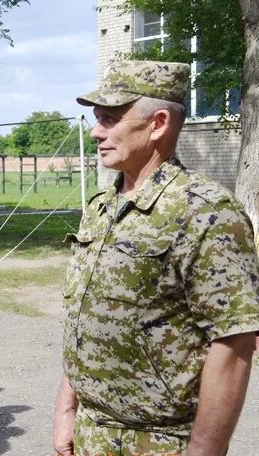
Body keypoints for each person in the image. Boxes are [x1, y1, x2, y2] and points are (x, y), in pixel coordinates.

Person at [53, 60, 259, 456]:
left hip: (160, 443)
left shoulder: (206, 212)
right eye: (97, 119)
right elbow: (85, 318)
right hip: (91, 433)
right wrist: (67, 409)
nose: (96, 132)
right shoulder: (101, 207)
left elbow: (234, 343)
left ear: (158, 123)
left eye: (109, 119)